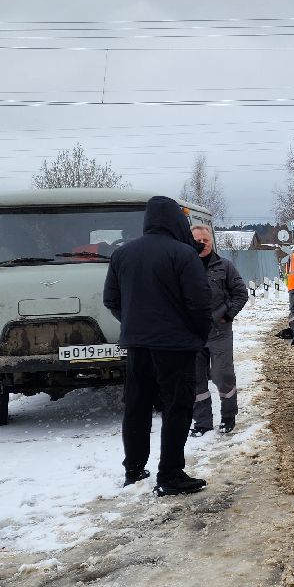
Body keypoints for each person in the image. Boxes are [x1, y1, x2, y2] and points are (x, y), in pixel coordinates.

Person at [103, 196, 212, 496]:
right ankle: (171, 473)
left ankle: (134, 471)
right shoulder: (183, 255)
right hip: (175, 346)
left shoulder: (122, 255)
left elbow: (111, 300)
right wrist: (197, 336)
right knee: (177, 408)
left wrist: (135, 322)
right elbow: (200, 303)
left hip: (137, 345)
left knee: (136, 407)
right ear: (177, 220)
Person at [190, 226, 248, 436]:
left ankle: (228, 416)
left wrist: (228, 315)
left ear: (212, 242)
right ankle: (202, 422)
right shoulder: (184, 267)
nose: (202, 243)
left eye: (206, 239)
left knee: (222, 375)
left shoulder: (225, 266)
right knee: (196, 380)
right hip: (193, 334)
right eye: (198, 239)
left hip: (219, 332)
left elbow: (241, 293)